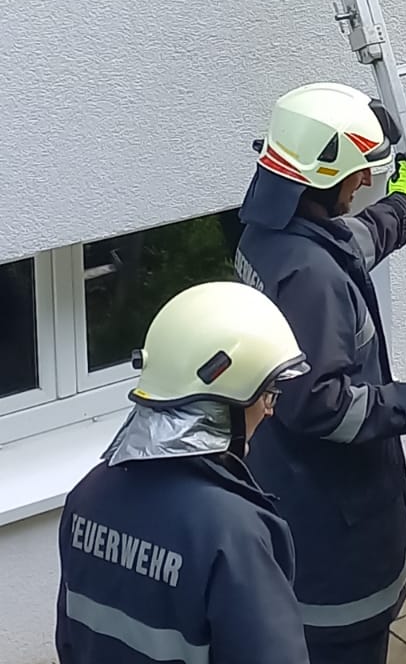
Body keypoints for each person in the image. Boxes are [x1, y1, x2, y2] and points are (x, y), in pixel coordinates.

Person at [234, 81, 406, 664]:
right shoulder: (313, 279)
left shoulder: (267, 236)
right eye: (356, 172)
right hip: (336, 538)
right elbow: (320, 404)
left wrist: (399, 209)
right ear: (319, 175)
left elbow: (346, 242)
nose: (364, 181)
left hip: (286, 501)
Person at [55, 280, 311, 664]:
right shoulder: (233, 533)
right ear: (224, 398)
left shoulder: (87, 495)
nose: (270, 409)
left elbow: (70, 642)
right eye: (266, 392)